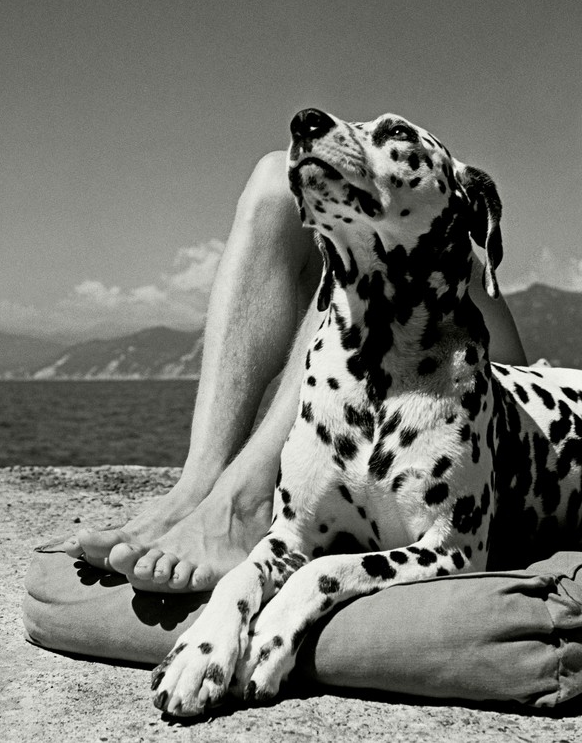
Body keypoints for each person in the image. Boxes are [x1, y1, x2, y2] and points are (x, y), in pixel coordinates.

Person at [62, 150, 527, 592]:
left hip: (489, 398)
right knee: (274, 179)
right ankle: (199, 485)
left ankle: (248, 501)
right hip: (400, 367)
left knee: (362, 232)